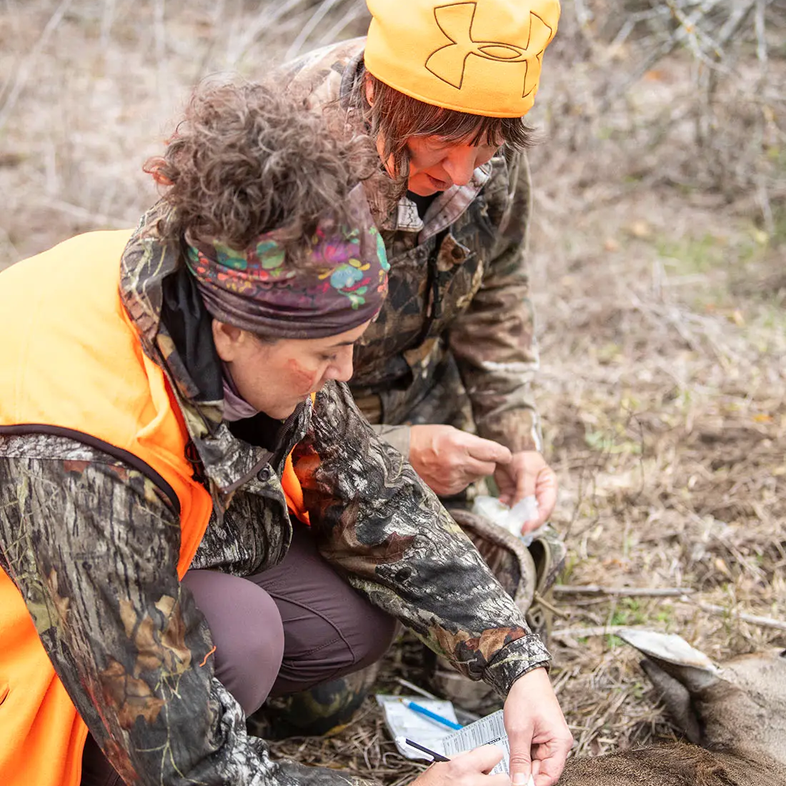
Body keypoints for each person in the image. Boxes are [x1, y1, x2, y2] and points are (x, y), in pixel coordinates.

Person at [0, 81, 572, 786]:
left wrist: (519, 664)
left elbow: (374, 492)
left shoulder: (238, 280)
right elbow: (186, 765)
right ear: (231, 331)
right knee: (238, 640)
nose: (346, 371)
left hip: (138, 546)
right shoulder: (81, 459)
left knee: (345, 623)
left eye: (352, 345)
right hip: (28, 632)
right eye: (328, 354)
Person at [277, 0, 562, 527]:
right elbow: (247, 378)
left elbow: (495, 285)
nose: (459, 174)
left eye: (483, 150)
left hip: (430, 417)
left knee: (502, 564)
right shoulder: (289, 141)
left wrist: (515, 439)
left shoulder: (486, 134)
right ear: (378, 95)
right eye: (440, 144)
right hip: (292, 450)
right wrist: (395, 450)